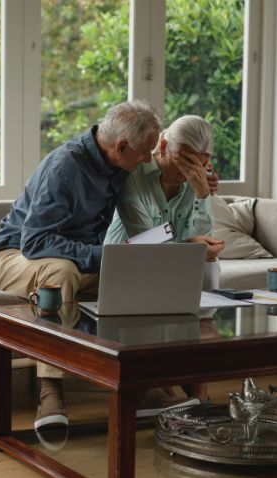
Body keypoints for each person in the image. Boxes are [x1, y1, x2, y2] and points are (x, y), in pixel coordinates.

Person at [0, 100, 162, 431]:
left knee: (132, 274)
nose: (148, 159)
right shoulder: (65, 168)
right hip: (11, 256)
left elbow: (159, 179)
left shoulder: (120, 164)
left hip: (72, 258)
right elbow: (35, 242)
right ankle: (50, 390)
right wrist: (102, 256)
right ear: (122, 146)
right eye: (145, 153)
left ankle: (142, 387)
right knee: (61, 271)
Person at [104, 114, 225, 401]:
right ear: (162, 146)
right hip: (129, 259)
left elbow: (201, 237)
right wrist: (188, 245)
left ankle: (196, 379)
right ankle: (162, 377)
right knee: (194, 264)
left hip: (172, 261)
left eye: (200, 163)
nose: (190, 170)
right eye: (184, 160)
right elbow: (146, 241)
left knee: (210, 269)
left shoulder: (198, 180)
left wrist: (201, 193)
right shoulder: (135, 174)